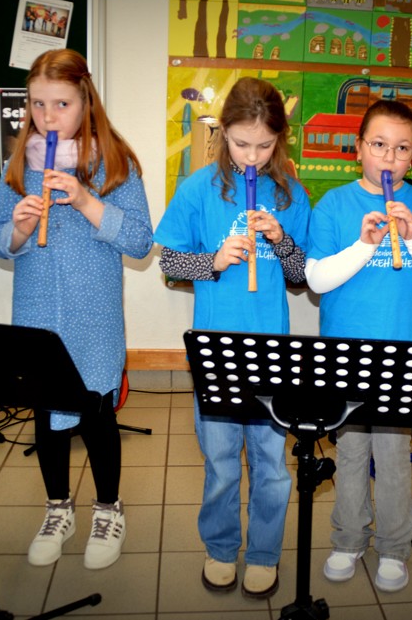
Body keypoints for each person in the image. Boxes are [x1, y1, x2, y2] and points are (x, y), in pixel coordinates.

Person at [0, 48, 153, 571]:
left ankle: (108, 508)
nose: (48, 116)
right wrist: (18, 227)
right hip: (37, 313)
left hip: (94, 315)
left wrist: (84, 200)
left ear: (86, 100)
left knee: (96, 413)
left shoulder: (116, 162)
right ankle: (58, 507)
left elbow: (140, 241)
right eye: (37, 105)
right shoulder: (20, 164)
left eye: (61, 103)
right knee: (46, 414)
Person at [154, 76, 309, 599]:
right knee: (221, 463)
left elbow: (302, 277)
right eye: (242, 144)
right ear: (223, 133)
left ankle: (263, 553)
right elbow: (170, 264)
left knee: (271, 466)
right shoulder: (198, 188)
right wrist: (215, 262)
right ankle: (220, 548)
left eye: (265, 146)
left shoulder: (290, 193)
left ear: (279, 140)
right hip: (217, 352)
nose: (253, 156)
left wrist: (281, 239)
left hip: (271, 351)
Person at [307, 100, 412, 592]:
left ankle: (394, 547)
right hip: (346, 353)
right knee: (351, 450)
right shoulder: (334, 204)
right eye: (379, 145)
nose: (389, 158)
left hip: (404, 353)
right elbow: (317, 279)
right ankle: (348, 539)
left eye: (401, 149)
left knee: (394, 455)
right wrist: (364, 245)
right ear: (359, 149)